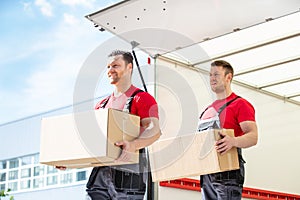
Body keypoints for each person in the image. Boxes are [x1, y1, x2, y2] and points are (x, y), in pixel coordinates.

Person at [86, 50, 161, 200]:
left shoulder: (142, 98)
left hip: (128, 175)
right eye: (108, 66)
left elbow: (155, 130)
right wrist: (68, 162)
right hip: (100, 174)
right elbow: (91, 140)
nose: (110, 70)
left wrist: (133, 145)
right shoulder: (101, 105)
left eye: (115, 65)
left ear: (129, 67)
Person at [197, 60, 258, 200]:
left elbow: (253, 136)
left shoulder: (240, 104)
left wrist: (233, 141)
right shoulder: (207, 110)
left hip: (228, 174)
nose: (212, 78)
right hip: (207, 174)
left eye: (216, 74)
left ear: (228, 77)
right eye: (210, 75)